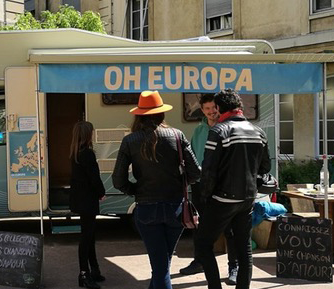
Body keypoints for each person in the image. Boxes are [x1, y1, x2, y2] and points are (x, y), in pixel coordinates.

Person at [112, 91, 200, 289]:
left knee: (160, 268)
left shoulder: (130, 141)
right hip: (175, 208)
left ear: (139, 115)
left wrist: (135, 190)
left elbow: (118, 180)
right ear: (161, 114)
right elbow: (195, 172)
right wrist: (180, 185)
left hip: (146, 207)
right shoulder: (177, 135)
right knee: (162, 266)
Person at [194, 88, 271, 289]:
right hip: (247, 199)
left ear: (219, 108)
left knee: (203, 245)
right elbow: (265, 168)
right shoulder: (259, 132)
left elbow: (209, 171)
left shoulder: (219, 131)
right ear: (239, 106)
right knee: (244, 248)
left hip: (222, 199)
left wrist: (205, 198)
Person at [180, 94, 239, 285]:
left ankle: (234, 267)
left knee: (229, 228)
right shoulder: (199, 130)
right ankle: (199, 261)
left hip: (223, 185)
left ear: (219, 108)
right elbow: (194, 157)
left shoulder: (228, 128)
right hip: (202, 186)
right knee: (200, 226)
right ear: (203, 110)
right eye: (207, 109)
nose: (211, 112)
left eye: (214, 108)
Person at [69, 121, 106, 289]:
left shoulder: (75, 153)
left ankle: (93, 270)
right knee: (87, 237)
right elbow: (94, 177)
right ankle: (84, 273)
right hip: (88, 200)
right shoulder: (88, 154)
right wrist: (101, 192)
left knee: (89, 235)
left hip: (79, 198)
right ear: (87, 134)